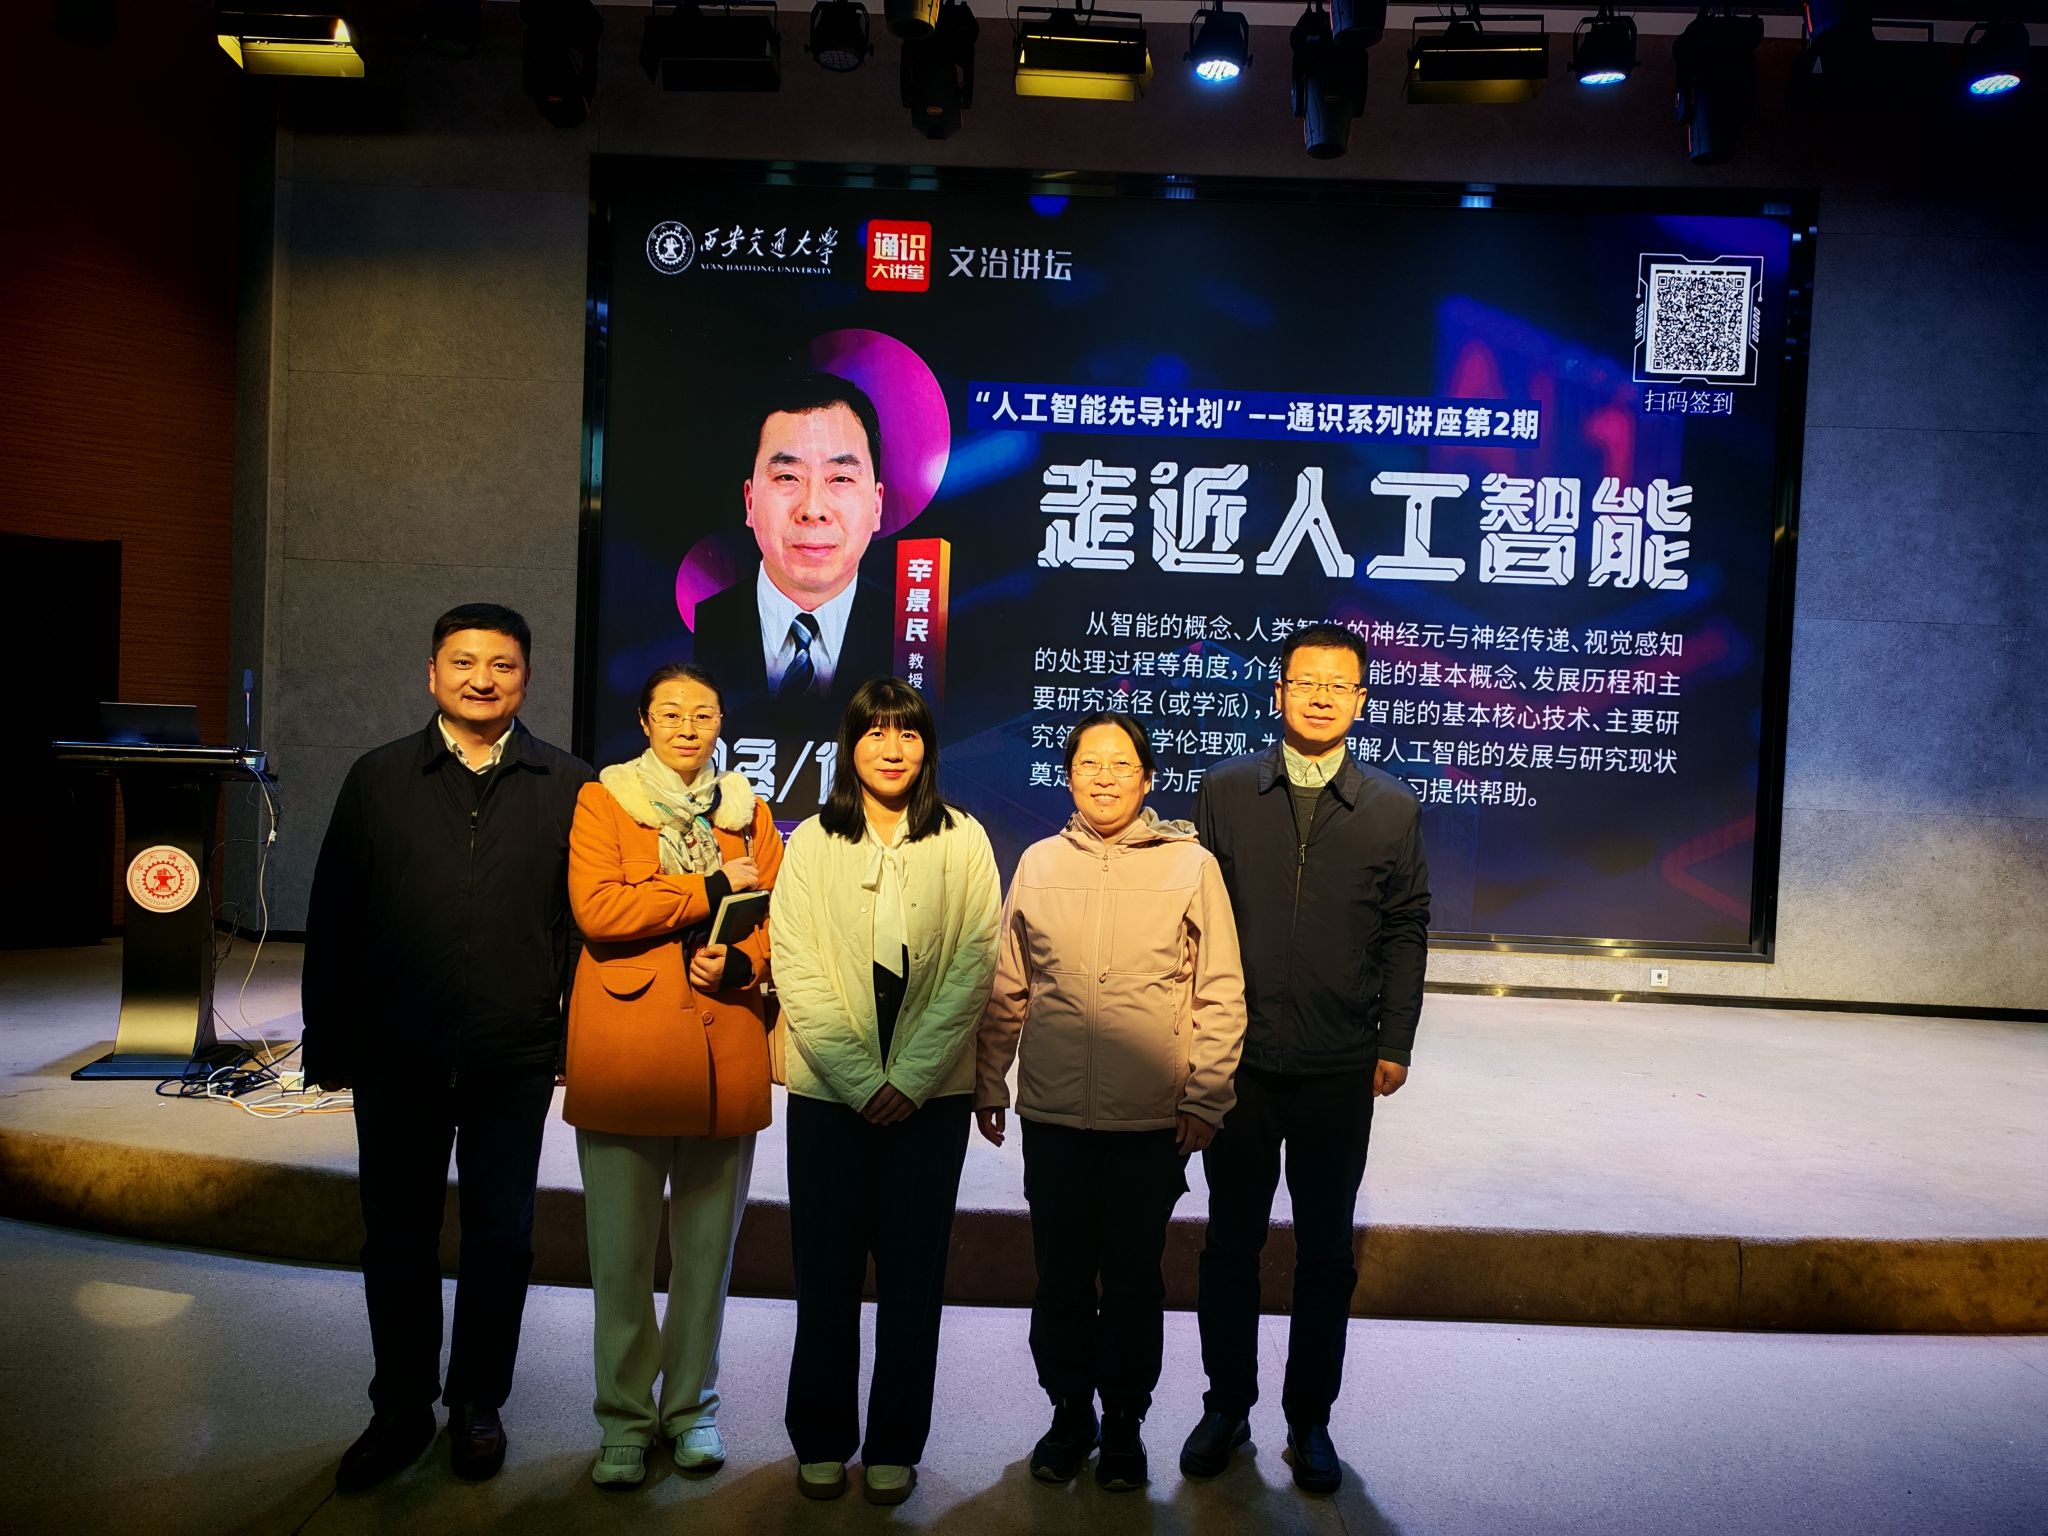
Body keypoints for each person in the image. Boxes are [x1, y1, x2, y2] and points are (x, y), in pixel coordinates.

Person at [302, 603, 594, 1491]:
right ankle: (399, 1407)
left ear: (526, 679)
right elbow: (335, 912)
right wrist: (328, 1035)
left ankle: (477, 1404)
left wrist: (566, 1034)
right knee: (398, 1235)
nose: (481, 679)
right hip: (398, 1049)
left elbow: (578, 928)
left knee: (502, 1238)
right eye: (463, 662)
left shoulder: (568, 781)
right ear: (432, 673)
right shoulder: (379, 777)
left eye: (501, 664)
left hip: (513, 1052)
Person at [1178, 620, 1430, 1497]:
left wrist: (1395, 1040)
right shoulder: (1225, 790)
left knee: (1326, 1252)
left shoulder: (1392, 807)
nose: (1320, 697)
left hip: (1338, 1063)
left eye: (1338, 684)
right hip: (1238, 1062)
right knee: (1230, 1244)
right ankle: (1226, 1405)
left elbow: (1406, 928)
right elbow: (1192, 923)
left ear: (1360, 700)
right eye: (1305, 681)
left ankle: (1310, 1417)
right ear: (1278, 692)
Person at [975, 712, 1247, 1493]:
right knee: (1059, 1277)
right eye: (1089, 763)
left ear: (1147, 779)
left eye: (1121, 764)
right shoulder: (1038, 863)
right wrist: (990, 1078)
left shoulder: (1191, 865)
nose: (1103, 777)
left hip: (1149, 1117)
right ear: (1067, 778)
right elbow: (1008, 984)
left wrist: (1207, 1094)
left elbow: (1221, 991)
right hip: (1054, 1114)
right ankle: (1070, 1414)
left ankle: (1124, 1421)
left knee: (1133, 1281)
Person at [767, 677, 1002, 1506]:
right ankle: (822, 1438)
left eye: (908, 734)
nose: (892, 748)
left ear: (927, 748)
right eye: (876, 733)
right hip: (830, 1099)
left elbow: (976, 963)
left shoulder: (965, 839)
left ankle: (896, 1442)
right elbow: (794, 964)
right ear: (851, 746)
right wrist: (863, 1080)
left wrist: (911, 1079)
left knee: (912, 1281)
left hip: (931, 1103)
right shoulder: (811, 841)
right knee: (825, 1275)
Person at [562, 662, 783, 1489]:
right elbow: (600, 908)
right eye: (672, 714)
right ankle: (624, 1421)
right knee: (619, 1260)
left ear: (722, 722)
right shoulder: (604, 800)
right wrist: (709, 887)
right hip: (628, 1049)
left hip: (724, 1046)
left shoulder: (749, 811)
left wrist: (742, 962)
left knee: (706, 1259)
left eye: (704, 713)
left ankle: (692, 1409)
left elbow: (778, 915)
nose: (689, 728)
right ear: (645, 724)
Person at [690, 373, 895, 742]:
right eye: (787, 476)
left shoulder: (913, 635)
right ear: (750, 501)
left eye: (841, 479)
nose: (813, 509)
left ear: (877, 505)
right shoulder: (693, 628)